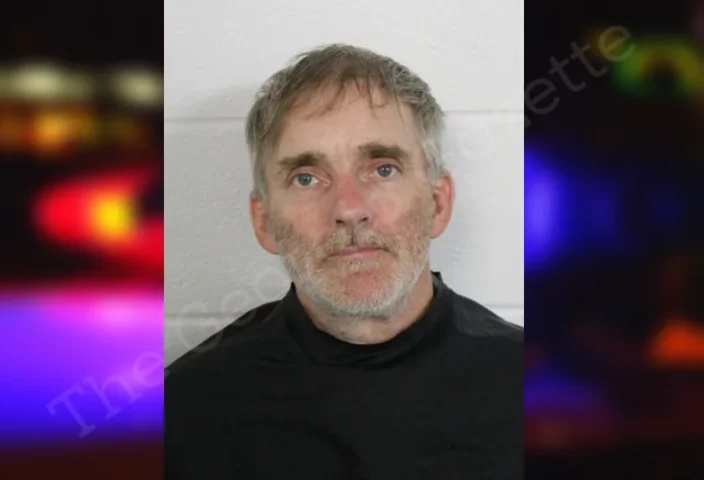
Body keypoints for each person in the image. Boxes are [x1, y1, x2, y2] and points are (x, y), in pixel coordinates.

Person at [165, 44, 523, 479]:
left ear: (438, 203)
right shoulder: (185, 411)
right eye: (306, 178)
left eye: (383, 169)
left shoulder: (534, 390)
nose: (349, 208)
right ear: (264, 222)